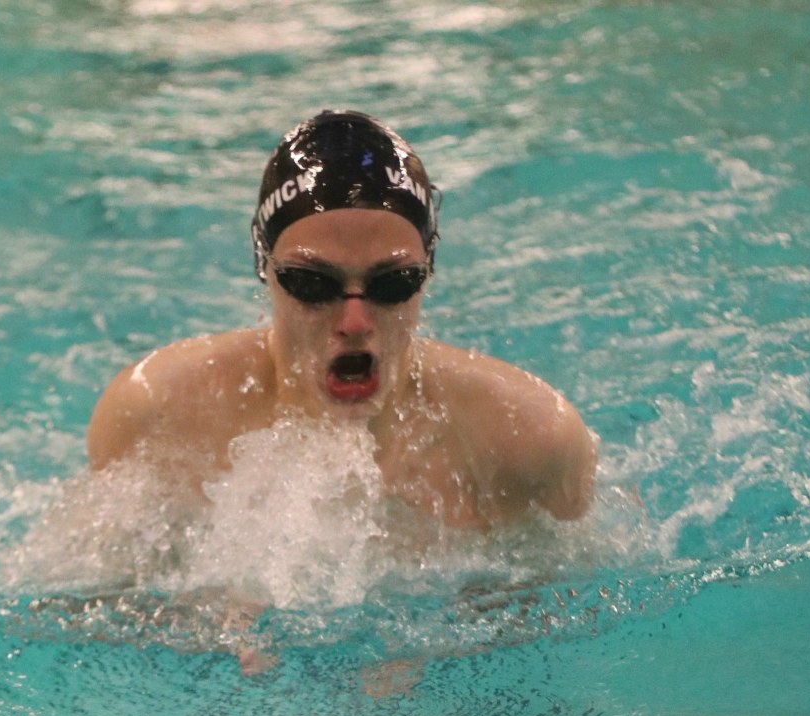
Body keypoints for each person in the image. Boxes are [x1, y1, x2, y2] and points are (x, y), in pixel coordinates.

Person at [87, 110, 596, 533]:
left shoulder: (532, 442)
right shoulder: (155, 418)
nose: (354, 321)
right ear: (265, 270)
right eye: (313, 284)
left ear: (428, 273)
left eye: (392, 284)